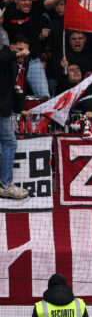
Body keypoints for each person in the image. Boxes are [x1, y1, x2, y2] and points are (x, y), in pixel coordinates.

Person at [1, 38, 30, 199]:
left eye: (25, 51)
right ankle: (5, 185)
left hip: (5, 109)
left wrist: (21, 109)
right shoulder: (5, 56)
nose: (23, 54)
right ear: (11, 47)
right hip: (1, 108)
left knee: (7, 142)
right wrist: (15, 55)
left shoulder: (22, 63)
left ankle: (5, 184)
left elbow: (18, 88)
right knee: (9, 142)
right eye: (19, 50)